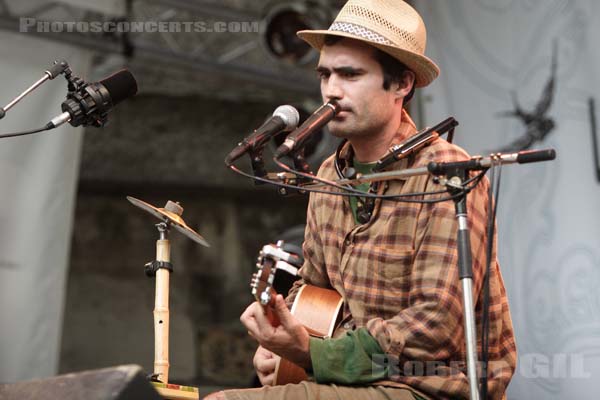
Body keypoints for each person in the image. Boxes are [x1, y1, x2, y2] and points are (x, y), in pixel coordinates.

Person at [207, 0, 516, 399]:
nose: (332, 90)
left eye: (350, 75)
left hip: (429, 387)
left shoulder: (445, 171)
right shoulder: (329, 175)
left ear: (402, 85)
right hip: (350, 380)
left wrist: (312, 353)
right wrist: (278, 339)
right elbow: (312, 285)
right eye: (325, 74)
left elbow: (438, 323)